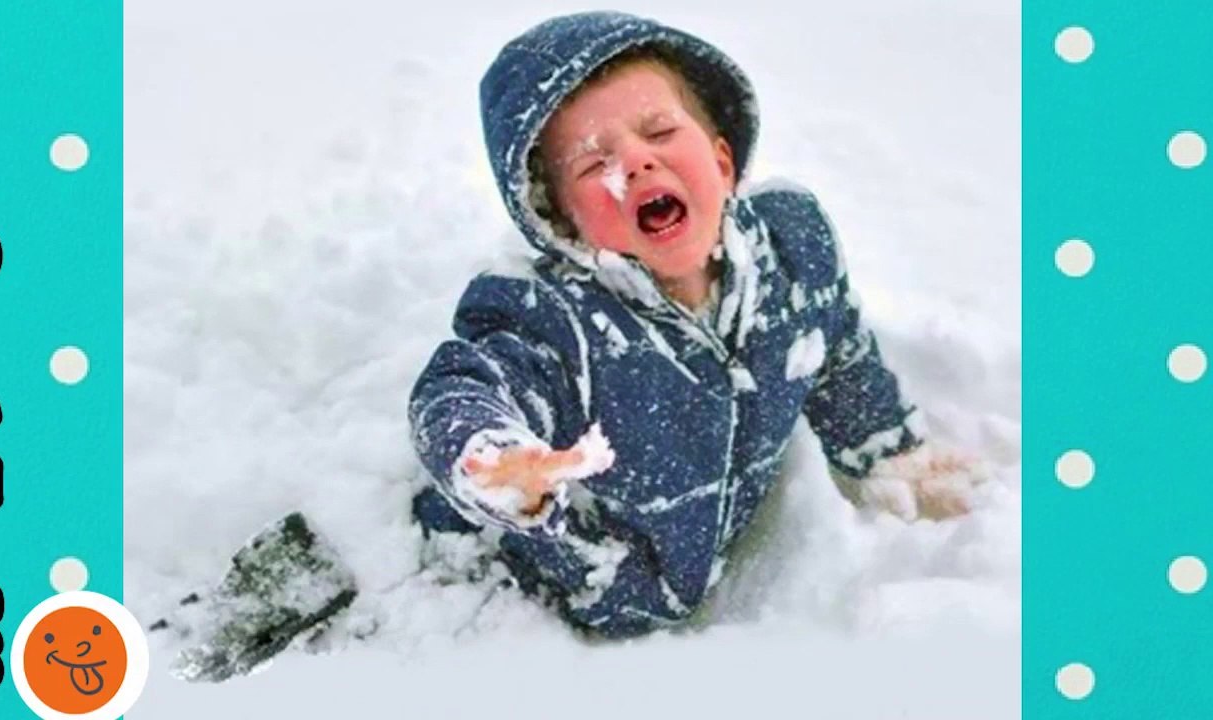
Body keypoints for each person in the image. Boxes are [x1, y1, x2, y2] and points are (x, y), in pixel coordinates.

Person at [407, 10, 984, 639]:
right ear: (563, 224)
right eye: (592, 164)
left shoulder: (793, 252)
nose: (634, 163)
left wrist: (888, 452)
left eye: (658, 131)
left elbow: (836, 355)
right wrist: (492, 457)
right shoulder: (555, 321)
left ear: (723, 161)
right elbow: (466, 384)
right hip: (547, 596)